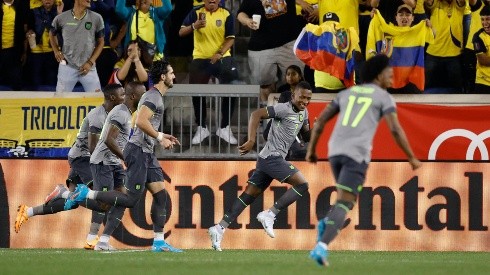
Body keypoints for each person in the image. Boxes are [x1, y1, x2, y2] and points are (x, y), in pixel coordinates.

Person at [305, 54, 422, 266]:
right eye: (389, 72)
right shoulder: (383, 97)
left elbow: (320, 121)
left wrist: (311, 150)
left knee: (344, 199)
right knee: (345, 203)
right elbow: (395, 129)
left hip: (334, 152)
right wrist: (411, 157)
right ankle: (321, 247)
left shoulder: (347, 93)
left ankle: (325, 222)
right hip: (355, 154)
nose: (392, 76)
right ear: (379, 74)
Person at [65, 60, 183, 253]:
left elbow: (143, 122)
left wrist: (162, 136)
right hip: (138, 151)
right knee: (129, 199)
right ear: (163, 77)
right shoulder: (153, 97)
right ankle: (87, 194)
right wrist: (160, 137)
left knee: (161, 196)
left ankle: (159, 242)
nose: (174, 76)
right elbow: (142, 122)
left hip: (147, 152)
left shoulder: (156, 97)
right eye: (171, 73)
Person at [14, 84, 125, 249]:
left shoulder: (117, 115)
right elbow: (93, 148)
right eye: (122, 94)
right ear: (112, 97)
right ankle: (90, 235)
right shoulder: (98, 116)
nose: (125, 97)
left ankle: (28, 211)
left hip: (93, 158)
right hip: (83, 158)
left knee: (77, 201)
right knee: (102, 197)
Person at [207, 81, 313, 252]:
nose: (305, 101)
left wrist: (315, 129)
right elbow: (256, 114)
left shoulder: (305, 111)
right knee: (302, 184)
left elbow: (306, 136)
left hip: (266, 160)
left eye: (308, 98)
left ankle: (219, 228)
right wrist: (251, 140)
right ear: (294, 95)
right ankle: (269, 214)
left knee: (248, 196)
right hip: (273, 158)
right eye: (302, 97)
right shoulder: (283, 109)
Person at [88, 81, 146, 250]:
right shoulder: (121, 113)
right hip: (103, 162)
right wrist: (127, 158)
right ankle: (68, 195)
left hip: (114, 163)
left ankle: (103, 241)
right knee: (103, 204)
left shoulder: (128, 114)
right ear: (134, 97)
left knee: (124, 200)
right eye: (143, 96)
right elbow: (109, 139)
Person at [179, 0, 240, 145]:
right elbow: (181, 32)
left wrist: (219, 53)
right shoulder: (195, 12)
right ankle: (202, 127)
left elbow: (230, 39)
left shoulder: (226, 14)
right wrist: (194, 26)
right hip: (201, 57)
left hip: (221, 57)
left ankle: (224, 127)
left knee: (233, 83)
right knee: (197, 89)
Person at [237, 0, 304, 108]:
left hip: (289, 43)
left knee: (295, 83)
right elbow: (241, 13)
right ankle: (267, 119)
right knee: (265, 85)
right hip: (261, 46)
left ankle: (295, 117)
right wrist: (247, 20)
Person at [366, 4, 435, 93]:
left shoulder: (418, 31)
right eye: (401, 15)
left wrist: (430, 27)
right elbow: (376, 28)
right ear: (396, 17)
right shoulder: (386, 31)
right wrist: (375, 18)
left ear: (413, 18)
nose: (404, 17)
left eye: (407, 15)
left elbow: (433, 37)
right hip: (390, 81)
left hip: (411, 82)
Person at [49, 0, 105, 92]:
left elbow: (101, 42)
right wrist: (56, 51)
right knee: (60, 102)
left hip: (89, 68)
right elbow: (52, 34)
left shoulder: (97, 18)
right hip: (67, 67)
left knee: (96, 102)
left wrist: (90, 62)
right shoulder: (61, 18)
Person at [26, 0, 63, 91]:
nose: (47, 0)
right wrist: (29, 31)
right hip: (36, 51)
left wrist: (59, 13)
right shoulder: (34, 11)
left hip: (52, 52)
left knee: (51, 81)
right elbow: (28, 28)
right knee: (36, 81)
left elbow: (63, 30)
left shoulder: (58, 11)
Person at [0, 0, 29, 91]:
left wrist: (24, 52)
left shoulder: (21, 6)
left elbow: (25, 31)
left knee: (16, 82)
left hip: (15, 51)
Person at [472, 3, 490, 92]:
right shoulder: (478, 37)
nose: (485, 23)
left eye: (488, 19)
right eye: (482, 20)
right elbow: (483, 61)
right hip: (483, 83)